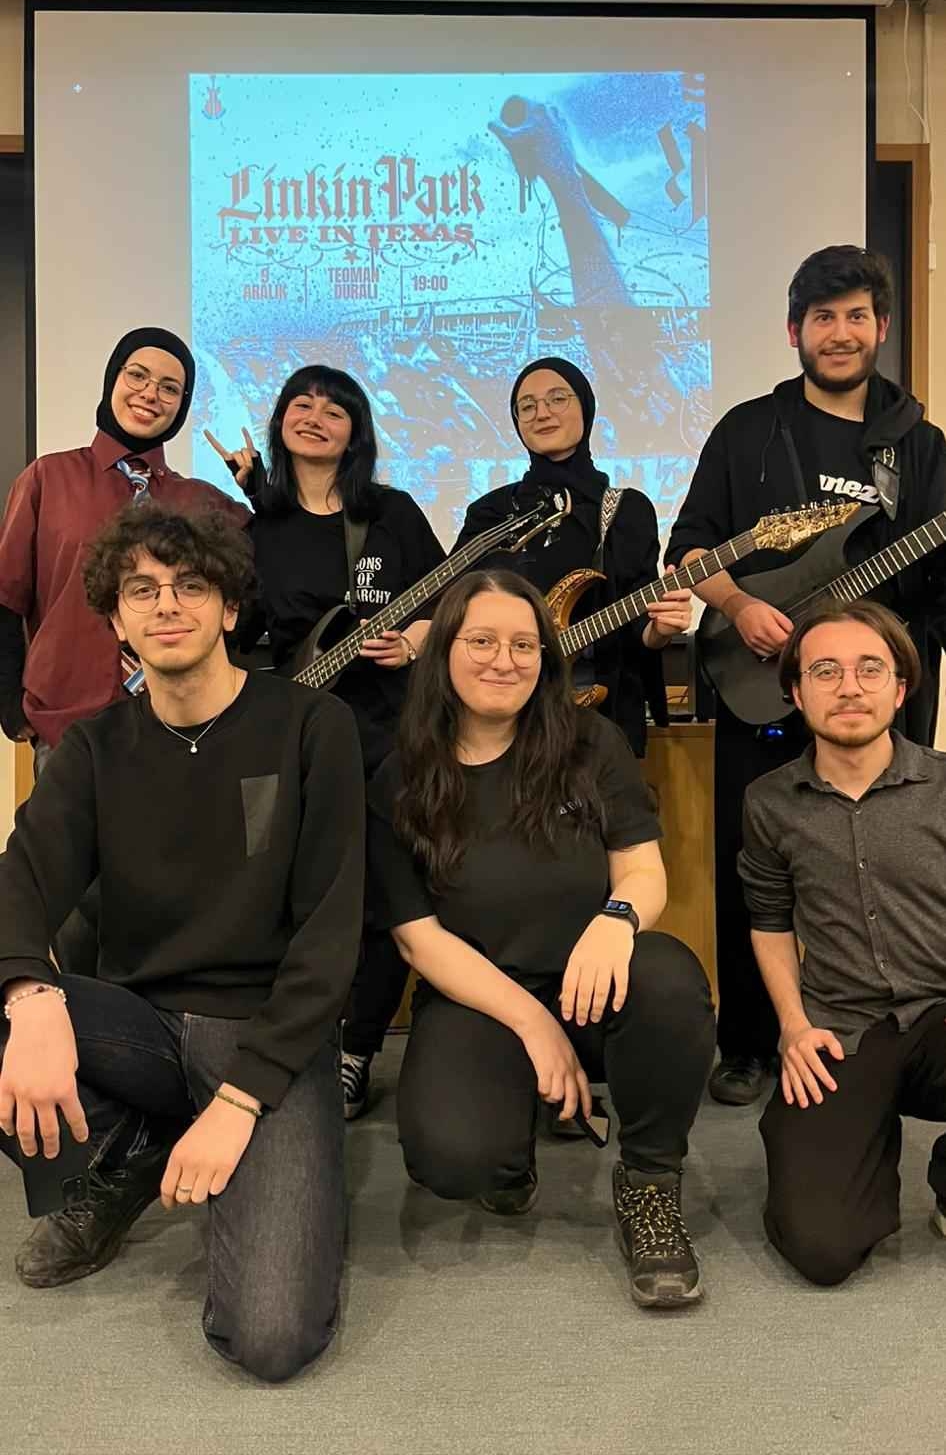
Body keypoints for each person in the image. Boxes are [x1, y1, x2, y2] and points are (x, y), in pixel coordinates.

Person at [0, 505, 364, 1381]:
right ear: (117, 621)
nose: (167, 605)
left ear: (230, 608)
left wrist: (239, 1101)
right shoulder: (94, 748)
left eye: (191, 586)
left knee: (271, 1339)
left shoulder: (311, 726)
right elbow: (22, 879)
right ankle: (128, 1151)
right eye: (142, 590)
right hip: (143, 1030)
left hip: (269, 1033)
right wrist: (31, 996)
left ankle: (184, 1134)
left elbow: (329, 938)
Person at [367, 569, 716, 1309]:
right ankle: (511, 1146)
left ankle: (650, 1182)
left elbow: (643, 870)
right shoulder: (400, 775)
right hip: (477, 996)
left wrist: (616, 919)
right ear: (444, 651)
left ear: (545, 657)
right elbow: (419, 941)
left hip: (594, 980)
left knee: (669, 980)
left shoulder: (591, 742)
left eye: (524, 645)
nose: (504, 660)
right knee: (454, 1160)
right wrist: (533, 1024)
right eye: (482, 641)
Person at [665, 246, 946, 1105]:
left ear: (882, 327)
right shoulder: (748, 430)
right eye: (824, 317)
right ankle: (753, 1042)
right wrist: (739, 605)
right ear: (795, 331)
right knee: (756, 864)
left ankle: (900, 1036)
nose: (841, 332)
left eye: (857, 315)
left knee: (892, 864)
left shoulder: (918, 445)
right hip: (760, 684)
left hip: (877, 697)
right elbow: (689, 551)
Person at [207, 365, 445, 1122]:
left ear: (356, 432)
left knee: (383, 892)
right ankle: (292, 1044)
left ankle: (357, 1050)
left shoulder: (391, 514)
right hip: (294, 735)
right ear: (280, 422)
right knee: (294, 893)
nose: (314, 416)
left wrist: (412, 641)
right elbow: (238, 634)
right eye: (300, 404)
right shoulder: (259, 530)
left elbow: (449, 600)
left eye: (334, 409)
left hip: (388, 733)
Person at [738, 600, 946, 1286]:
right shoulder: (769, 802)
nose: (849, 687)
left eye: (869, 669)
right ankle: (864, 1139)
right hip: (842, 1031)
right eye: (825, 671)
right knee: (821, 1246)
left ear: (900, 688)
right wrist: (793, 1028)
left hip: (942, 1016)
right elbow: (770, 920)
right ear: (797, 693)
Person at [0, 327, 247, 760]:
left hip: (183, 729)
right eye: (137, 375)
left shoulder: (202, 501)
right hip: (66, 725)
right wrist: (8, 705)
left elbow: (276, 571)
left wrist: (265, 492)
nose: (151, 394)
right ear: (113, 379)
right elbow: (5, 597)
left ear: (183, 405)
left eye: (169, 388)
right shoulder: (46, 478)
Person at [454, 357, 691, 760]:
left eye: (557, 399)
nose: (542, 413)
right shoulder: (490, 513)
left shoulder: (625, 510)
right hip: (498, 717)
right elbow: (456, 605)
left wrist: (661, 629)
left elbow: (639, 627)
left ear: (586, 408)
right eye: (527, 406)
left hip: (595, 723)